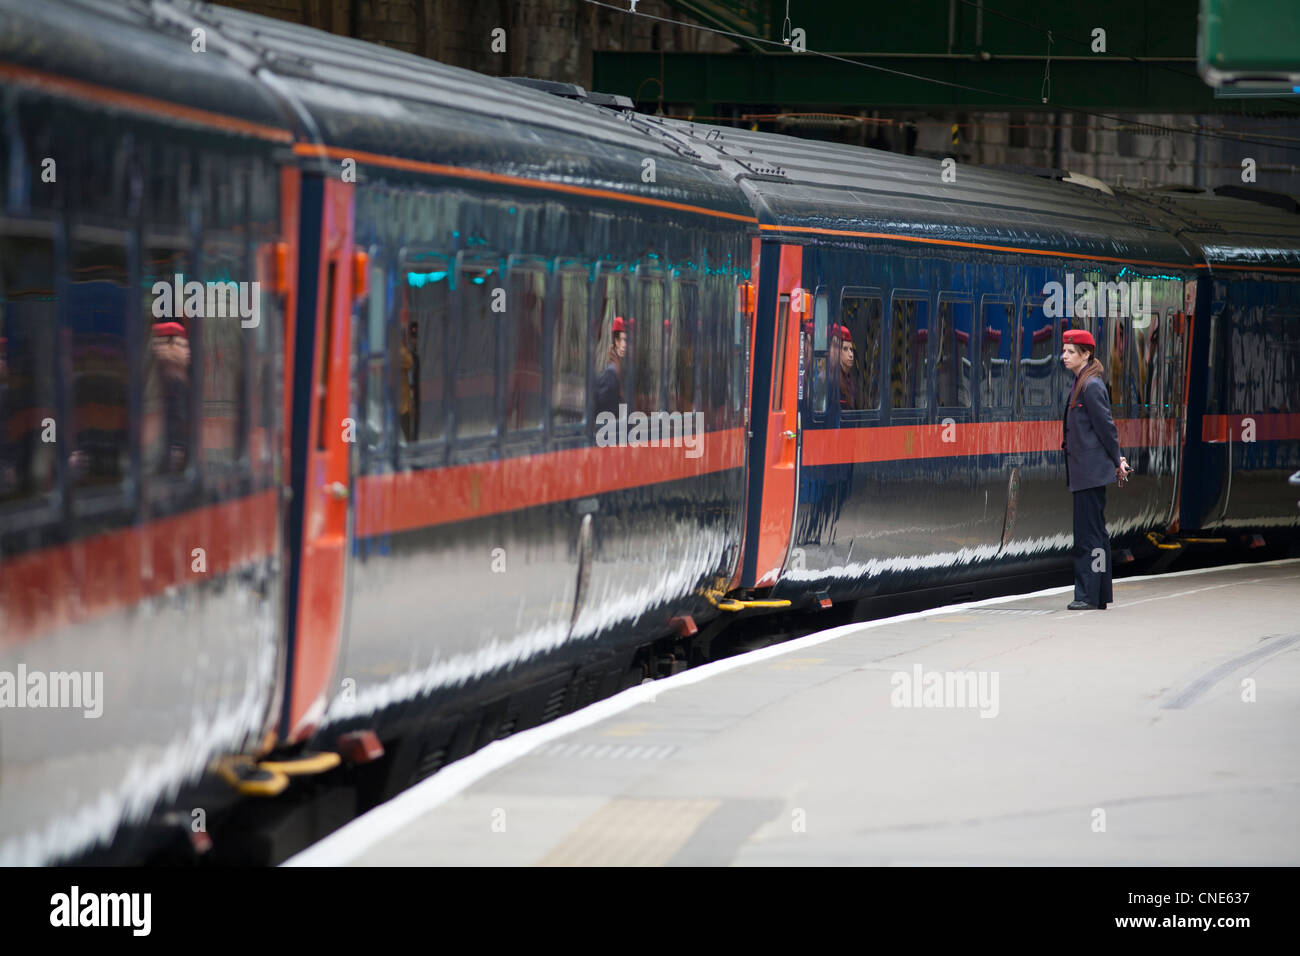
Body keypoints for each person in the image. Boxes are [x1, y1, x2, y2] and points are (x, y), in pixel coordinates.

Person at [1061, 329, 1131, 610]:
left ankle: (1088, 595)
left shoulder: (1091, 386)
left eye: (1070, 352)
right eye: (1064, 351)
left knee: (1088, 536)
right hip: (1085, 472)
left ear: (1086, 354)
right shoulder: (1083, 382)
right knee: (1097, 534)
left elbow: (1106, 428)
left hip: (1089, 473)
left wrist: (1117, 461)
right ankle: (1099, 593)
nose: (1064, 356)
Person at [593, 315, 628, 424]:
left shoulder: (619, 374)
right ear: (616, 342)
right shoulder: (609, 378)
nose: (626, 345)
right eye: (622, 340)